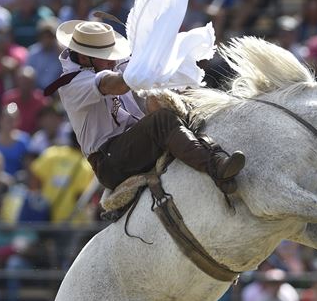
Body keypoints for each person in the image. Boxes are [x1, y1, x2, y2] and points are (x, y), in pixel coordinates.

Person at [48, 20, 246, 194]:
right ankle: (216, 167)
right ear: (84, 59)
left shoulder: (107, 66)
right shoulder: (71, 84)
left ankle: (217, 167)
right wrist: (142, 65)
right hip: (109, 161)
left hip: (128, 146)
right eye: (105, 56)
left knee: (180, 109)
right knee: (162, 121)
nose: (113, 60)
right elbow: (114, 84)